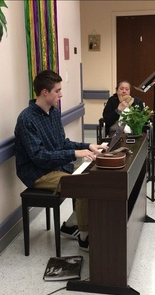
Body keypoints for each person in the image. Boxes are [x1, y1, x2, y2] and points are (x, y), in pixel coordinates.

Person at [14, 70, 107, 252]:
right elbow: (39, 156)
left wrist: (88, 146)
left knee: (93, 178)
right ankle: (84, 238)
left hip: (56, 166)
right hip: (37, 173)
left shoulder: (54, 113)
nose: (61, 94)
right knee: (83, 186)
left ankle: (71, 225)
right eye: (57, 90)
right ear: (44, 92)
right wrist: (74, 153)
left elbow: (62, 143)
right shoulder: (26, 119)